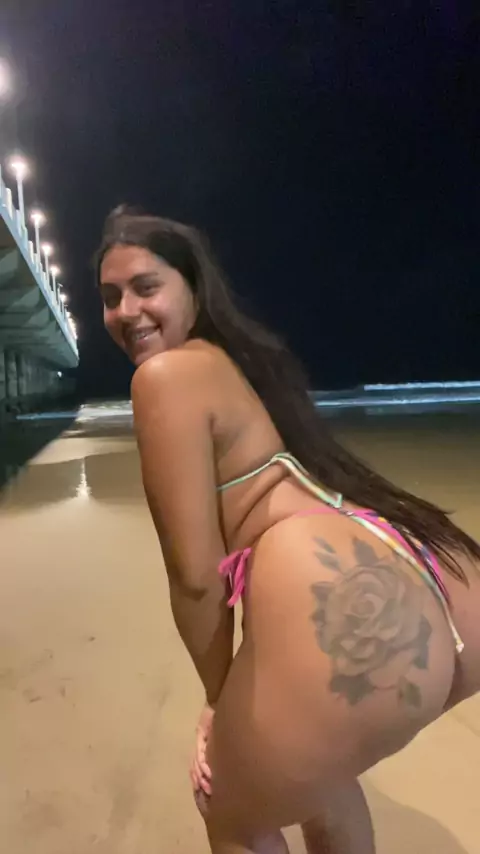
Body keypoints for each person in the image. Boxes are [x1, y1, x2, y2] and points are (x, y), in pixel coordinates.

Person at [96, 205, 480, 854]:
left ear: (193, 288)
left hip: (339, 615)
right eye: (110, 297)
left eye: (145, 287)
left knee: (228, 808)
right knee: (323, 782)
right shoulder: (240, 365)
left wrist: (219, 705)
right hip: (438, 586)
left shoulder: (164, 378)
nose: (127, 310)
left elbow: (196, 579)